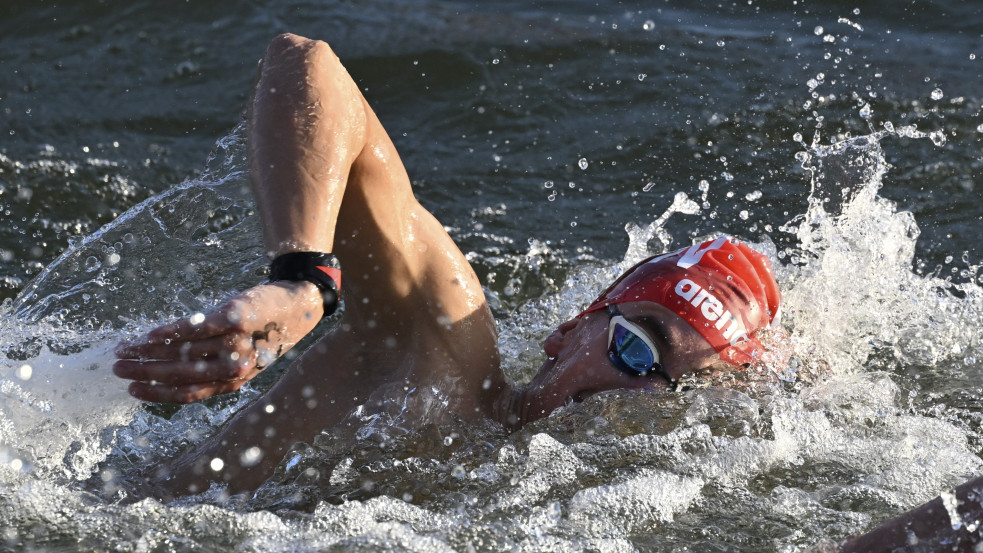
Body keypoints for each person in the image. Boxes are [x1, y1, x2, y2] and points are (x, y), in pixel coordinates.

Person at [112, 33, 780, 497]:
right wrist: (303, 278)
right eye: (635, 348)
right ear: (571, 327)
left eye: (675, 387)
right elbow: (308, 66)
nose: (638, 393)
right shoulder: (441, 358)